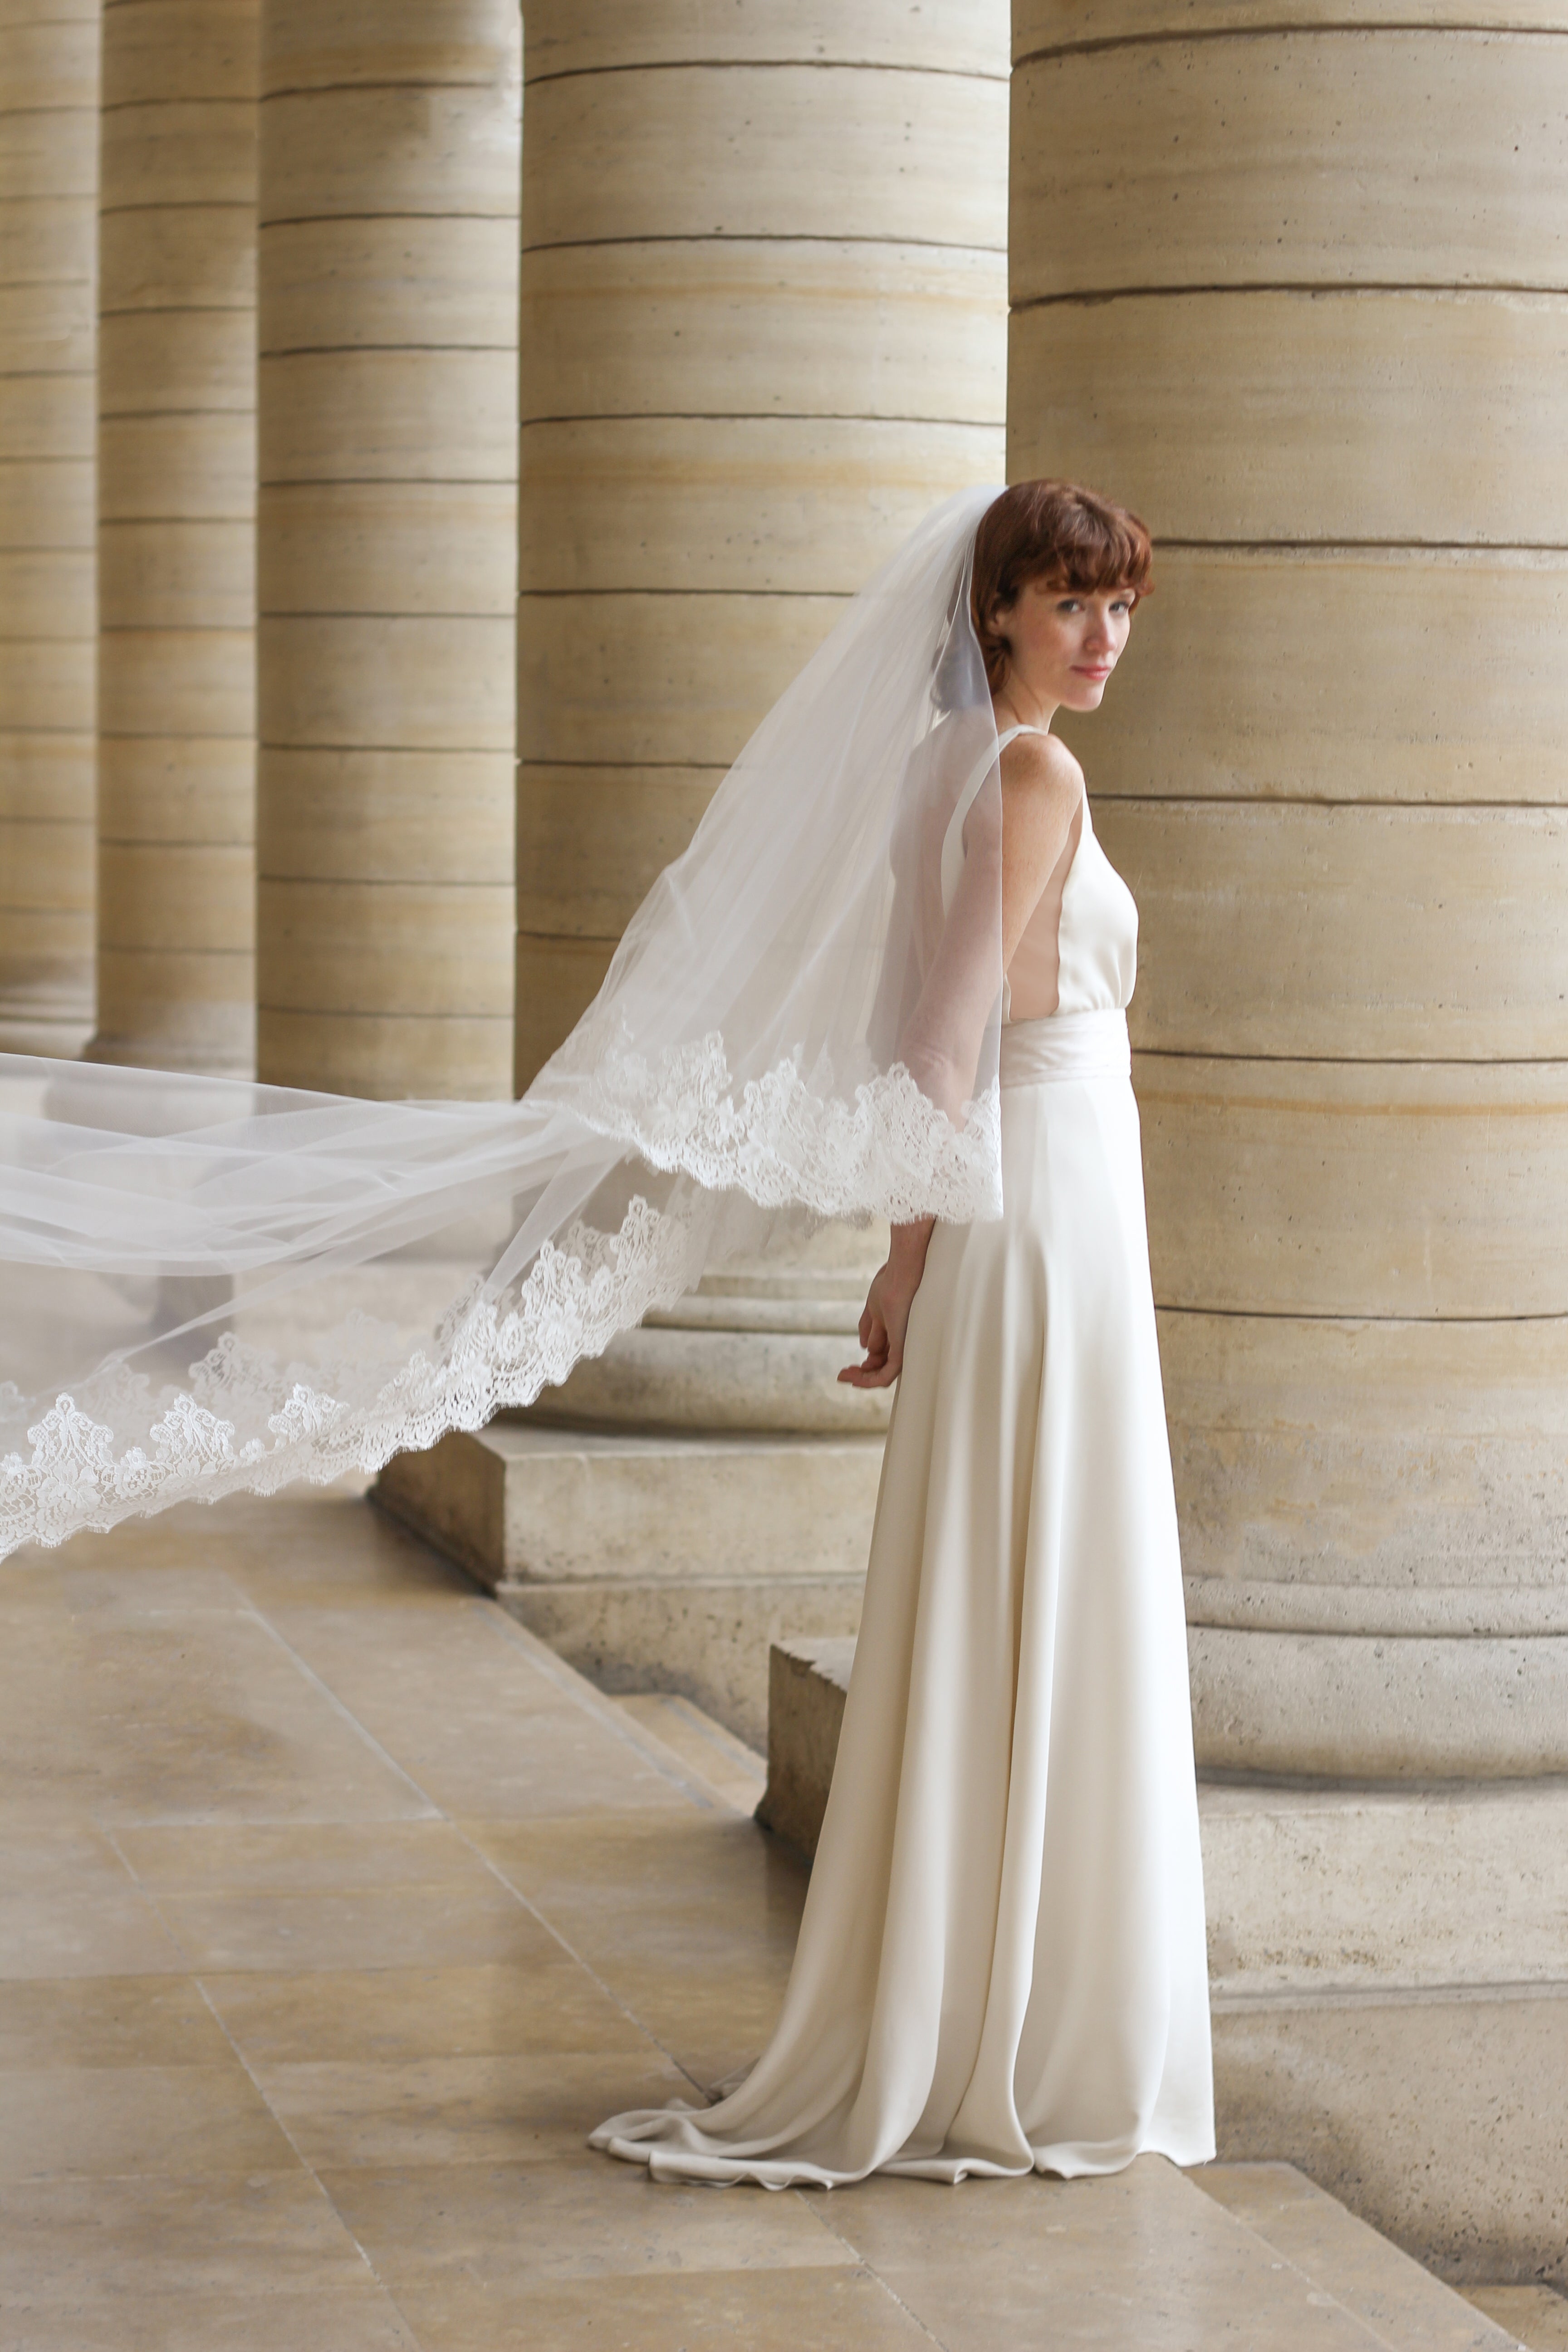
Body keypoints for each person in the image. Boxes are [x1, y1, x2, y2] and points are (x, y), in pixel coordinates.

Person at [590, 480, 1215, 2186]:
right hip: (1049, 1203)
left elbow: (927, 1037)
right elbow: (945, 1049)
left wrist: (909, 1252)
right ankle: (1037, 2032)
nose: (1106, 639)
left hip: (1026, 1203)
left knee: (1011, 1575)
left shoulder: (938, 771)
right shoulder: (1030, 772)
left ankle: (984, 2001)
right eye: (1073, 604)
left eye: (1122, 606)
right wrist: (910, 1248)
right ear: (998, 608)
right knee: (1057, 1568)